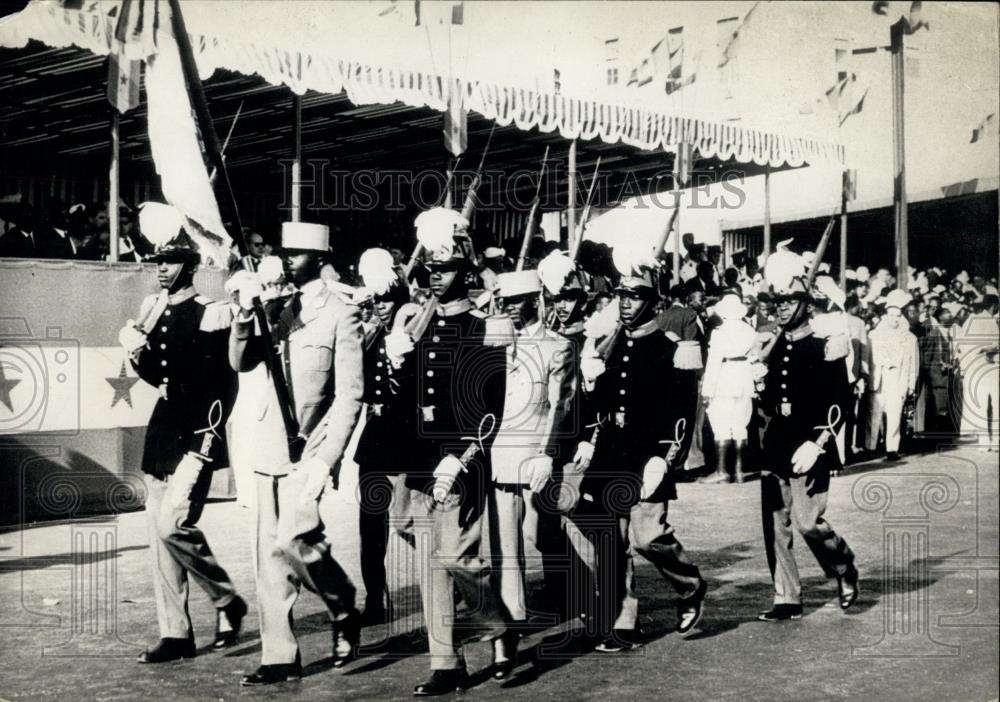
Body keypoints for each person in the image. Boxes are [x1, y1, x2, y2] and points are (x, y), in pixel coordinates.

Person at [228, 221, 365, 685]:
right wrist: (245, 314)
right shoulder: (276, 307)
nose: (287, 258)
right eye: (285, 250)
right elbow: (241, 361)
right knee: (267, 553)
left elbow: (349, 395)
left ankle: (342, 603)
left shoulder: (341, 313)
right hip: (269, 443)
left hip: (312, 445)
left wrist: (329, 458)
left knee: (296, 539)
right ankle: (280, 655)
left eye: (298, 252)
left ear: (321, 257)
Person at [384, 207, 510, 697]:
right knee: (432, 560)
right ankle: (446, 662)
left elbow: (490, 408)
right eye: (431, 270)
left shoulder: (485, 327)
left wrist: (459, 458)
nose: (437, 277)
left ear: (467, 270)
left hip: (462, 460)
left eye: (448, 269)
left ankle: (498, 625)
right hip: (420, 456)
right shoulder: (417, 324)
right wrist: (394, 363)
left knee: (458, 557)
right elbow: (407, 400)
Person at [116, 202, 245, 663]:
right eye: (158, 262)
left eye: (170, 262)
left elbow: (223, 386)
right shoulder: (154, 309)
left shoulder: (212, 312)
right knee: (159, 536)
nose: (162, 270)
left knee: (175, 526)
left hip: (196, 432)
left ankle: (227, 597)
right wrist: (138, 355)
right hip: (163, 431)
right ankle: (175, 633)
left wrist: (206, 442)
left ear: (189, 265)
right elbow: (160, 375)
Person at [578, 241, 706, 651]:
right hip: (613, 452)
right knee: (610, 540)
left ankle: (689, 585)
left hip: (650, 454)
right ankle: (624, 622)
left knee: (648, 537)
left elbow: (683, 415)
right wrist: (591, 385)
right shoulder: (612, 346)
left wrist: (666, 458)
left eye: (635, 296)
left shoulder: (673, 350)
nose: (627, 303)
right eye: (622, 296)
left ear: (653, 301)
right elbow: (602, 406)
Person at [755, 250, 857, 622]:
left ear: (806, 303)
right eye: (776, 302)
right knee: (775, 525)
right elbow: (770, 404)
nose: (781, 309)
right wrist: (758, 384)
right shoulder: (771, 345)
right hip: (777, 444)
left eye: (788, 301)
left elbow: (841, 401)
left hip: (810, 444)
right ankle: (787, 597)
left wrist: (819, 443)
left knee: (807, 521)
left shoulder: (825, 345)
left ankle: (842, 565)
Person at [486, 268, 576, 680]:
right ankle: (507, 640)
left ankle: (581, 593)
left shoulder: (557, 346)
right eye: (503, 301)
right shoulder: (492, 341)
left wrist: (546, 452)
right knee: (506, 553)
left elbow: (558, 404)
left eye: (515, 301)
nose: (507, 308)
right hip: (496, 457)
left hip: (535, 457)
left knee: (543, 534)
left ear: (534, 301)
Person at [352, 247, 418, 624]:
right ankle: (375, 599)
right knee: (370, 527)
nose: (381, 307)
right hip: (375, 438)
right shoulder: (372, 335)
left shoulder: (411, 332)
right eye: (376, 300)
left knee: (408, 522)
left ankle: (452, 583)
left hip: (405, 435)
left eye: (387, 300)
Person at [700, 293, 760, 483]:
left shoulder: (720, 332)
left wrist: (707, 391)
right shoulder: (750, 331)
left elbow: (714, 362)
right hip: (744, 377)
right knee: (740, 423)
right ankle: (739, 470)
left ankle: (722, 471)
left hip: (724, 378)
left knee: (721, 423)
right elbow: (755, 357)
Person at [866, 290, 920, 461]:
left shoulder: (910, 338)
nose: (894, 319)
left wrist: (911, 384)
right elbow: (868, 359)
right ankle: (870, 446)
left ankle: (891, 448)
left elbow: (913, 363)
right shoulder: (874, 335)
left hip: (898, 377)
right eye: (891, 315)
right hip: (879, 377)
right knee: (874, 412)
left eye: (897, 316)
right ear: (885, 316)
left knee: (895, 413)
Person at [953, 291, 999, 449]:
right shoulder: (989, 321)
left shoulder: (970, 320)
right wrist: (988, 348)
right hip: (988, 367)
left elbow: (960, 346)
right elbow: (993, 345)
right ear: (994, 306)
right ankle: (995, 441)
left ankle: (984, 443)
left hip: (975, 368)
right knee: (995, 403)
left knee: (981, 404)